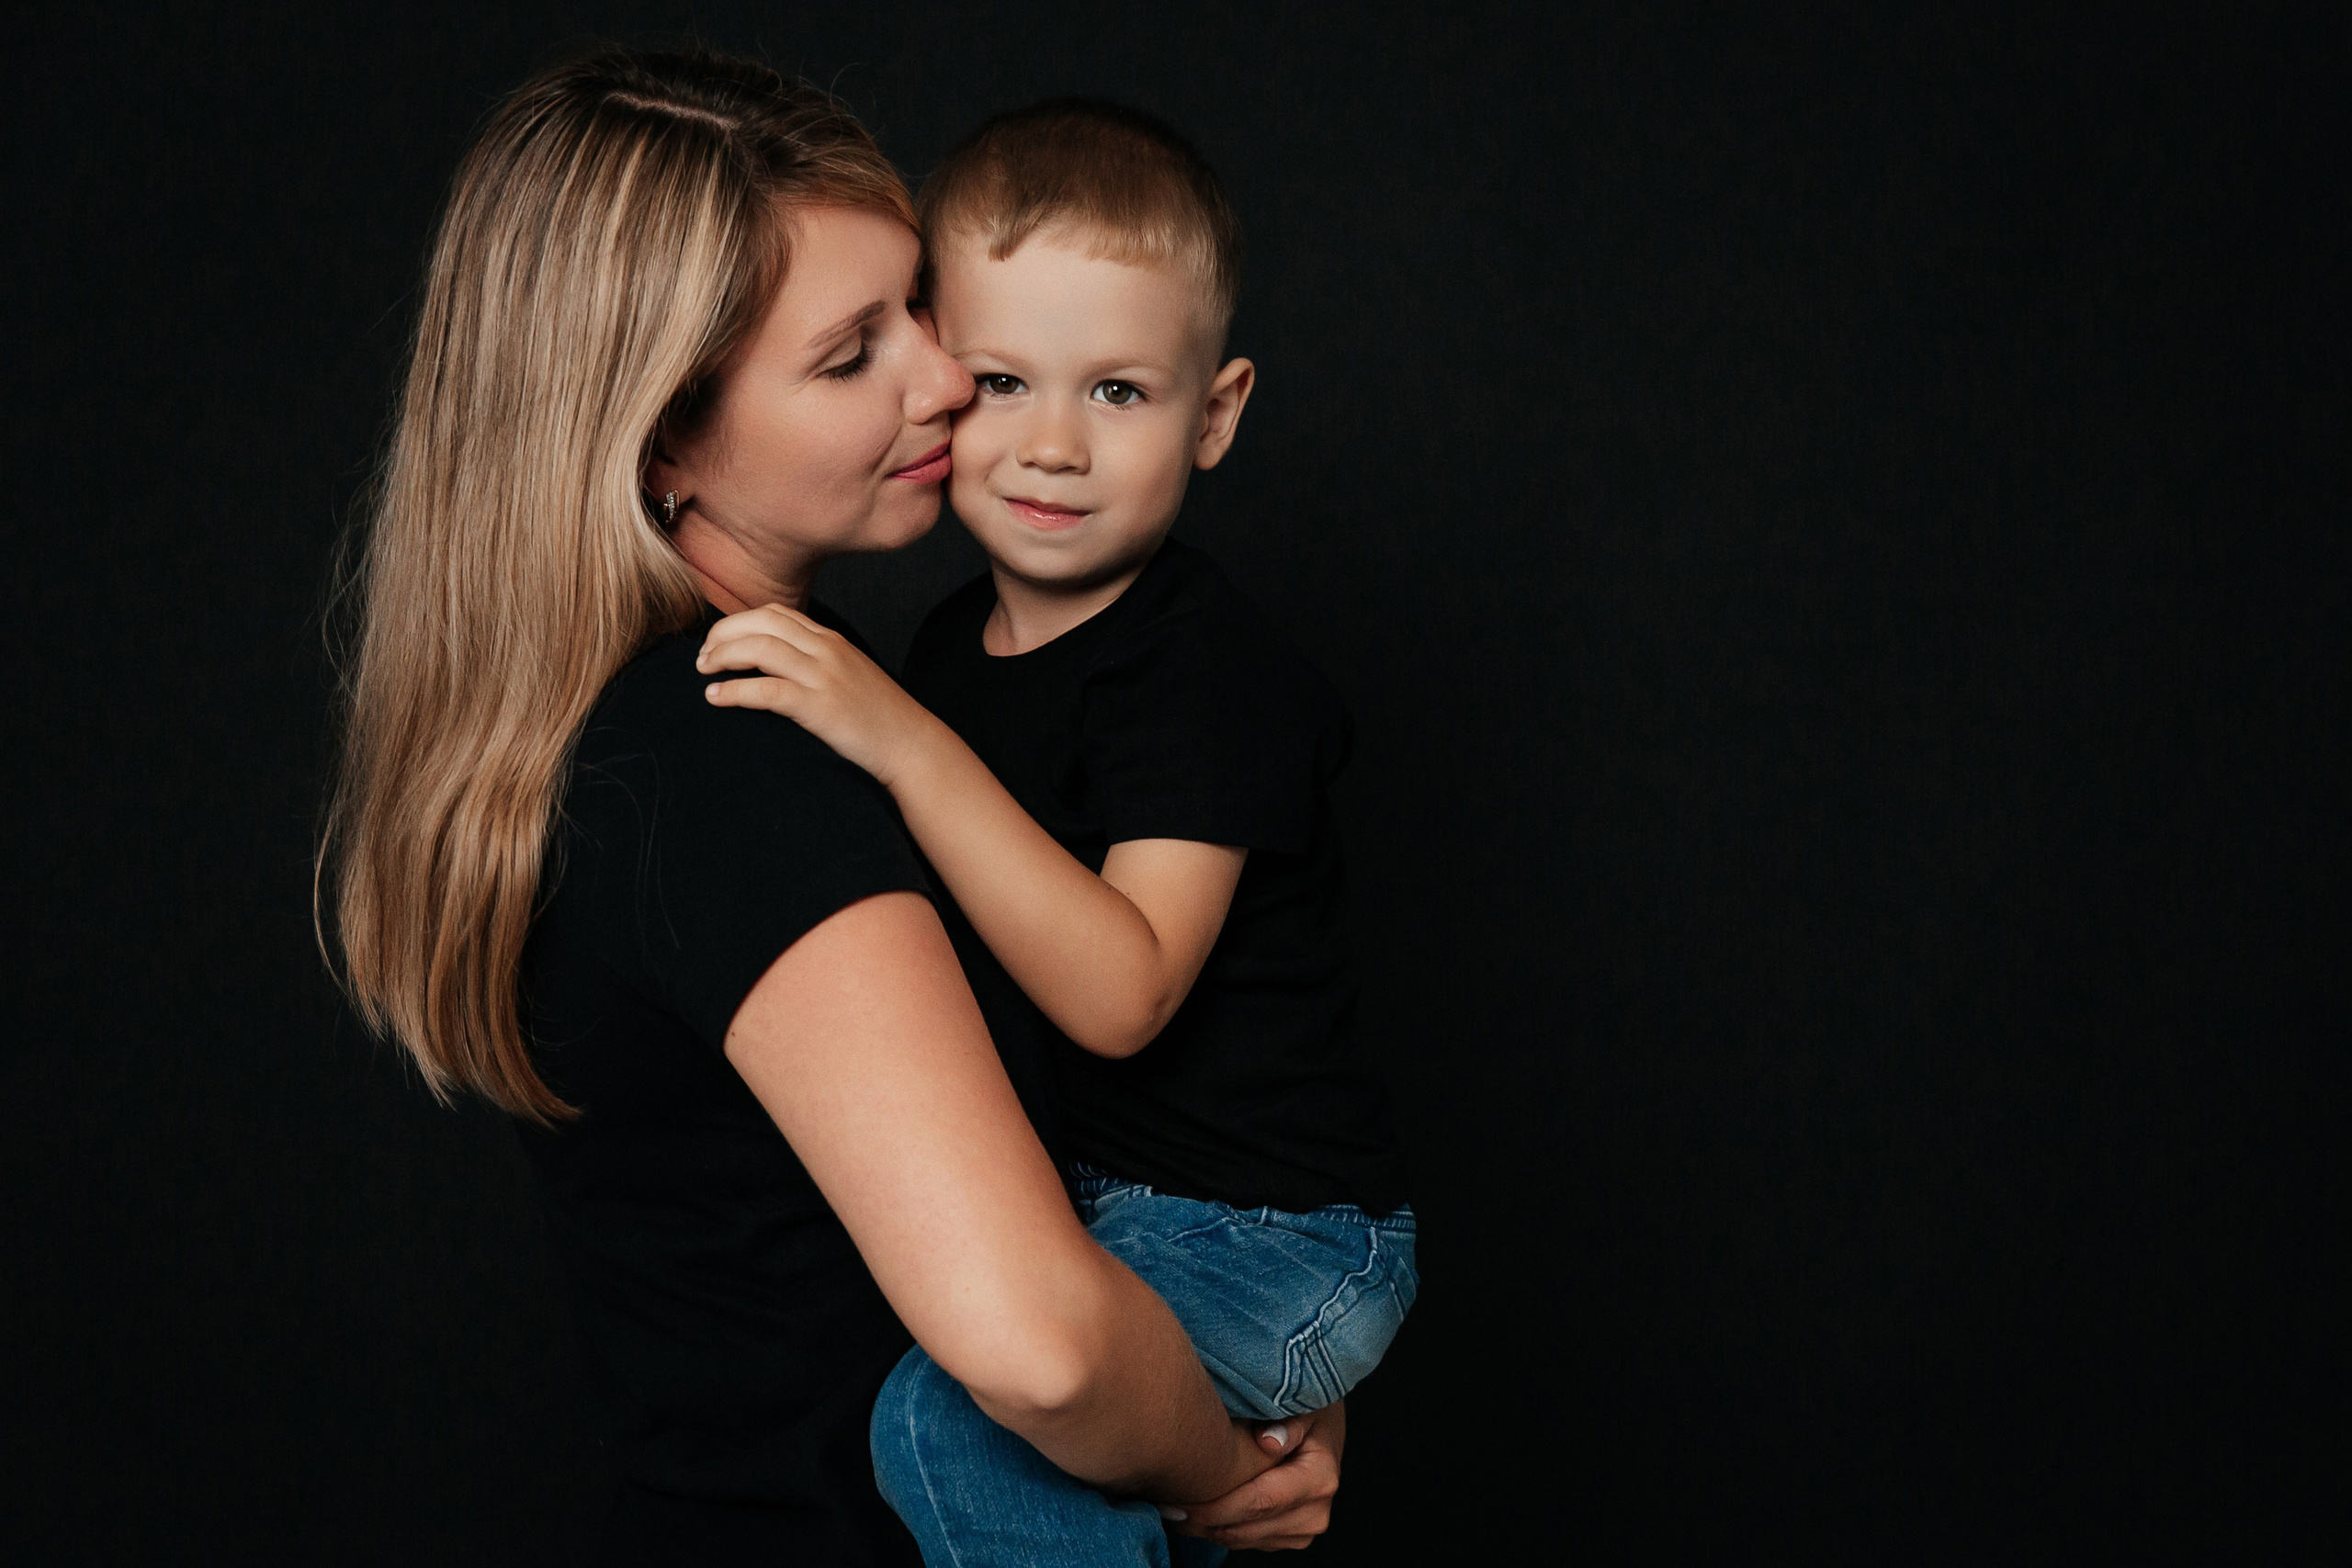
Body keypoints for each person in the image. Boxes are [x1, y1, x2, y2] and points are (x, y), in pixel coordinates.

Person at [318, 51, 1340, 1565]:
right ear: (662, 441)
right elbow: (1038, 1344)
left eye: (917, 306)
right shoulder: (728, 758)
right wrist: (1220, 1460)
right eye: (852, 353)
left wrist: (1255, 1334)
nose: (948, 378)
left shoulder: (761, 708)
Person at [697, 100, 1414, 1564]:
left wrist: (905, 743)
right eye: (1007, 379)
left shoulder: (1206, 671)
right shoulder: (960, 644)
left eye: (1121, 395)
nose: (1050, 447)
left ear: (1215, 415)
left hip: (1275, 1232)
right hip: (1104, 1210)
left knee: (947, 1422)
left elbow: (1121, 990)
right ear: (940, 367)